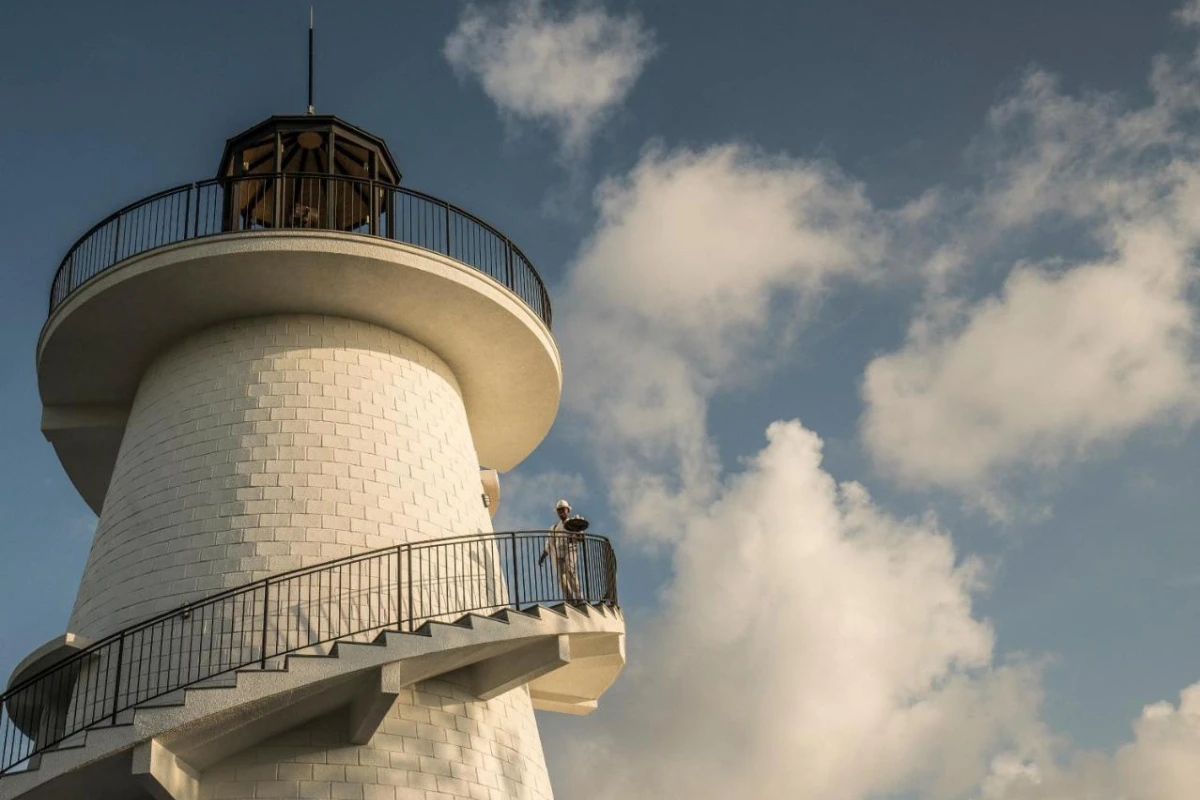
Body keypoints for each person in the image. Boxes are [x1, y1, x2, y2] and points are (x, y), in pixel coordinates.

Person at [539, 498, 582, 602]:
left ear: (568, 511)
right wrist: (543, 556)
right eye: (560, 510)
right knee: (561, 577)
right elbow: (549, 543)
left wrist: (578, 531)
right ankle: (570, 599)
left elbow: (580, 538)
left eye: (564, 510)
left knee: (570, 570)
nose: (562, 512)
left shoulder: (572, 523)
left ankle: (579, 596)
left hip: (570, 550)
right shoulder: (554, 528)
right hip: (558, 554)